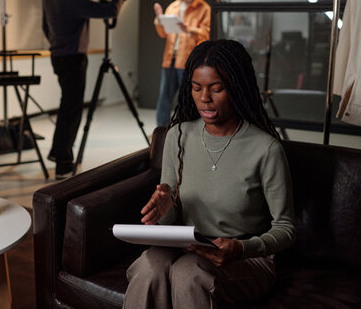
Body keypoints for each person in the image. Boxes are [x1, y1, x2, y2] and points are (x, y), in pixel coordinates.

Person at [123, 40, 297, 308]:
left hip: (245, 257)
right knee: (149, 266)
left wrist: (242, 249)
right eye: (196, 88)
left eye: (217, 89)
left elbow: (285, 228)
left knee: (190, 272)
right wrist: (165, 209)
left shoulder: (266, 149)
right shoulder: (178, 135)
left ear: (237, 88)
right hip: (187, 246)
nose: (205, 98)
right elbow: (169, 221)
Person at [42, 0, 125, 179]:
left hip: (58, 56)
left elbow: (45, 28)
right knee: (72, 109)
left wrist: (59, 44)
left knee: (67, 106)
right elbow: (109, 10)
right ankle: (63, 162)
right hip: (73, 59)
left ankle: (61, 157)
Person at [153, 0, 211, 127]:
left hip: (188, 60)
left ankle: (185, 130)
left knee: (186, 98)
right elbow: (163, 33)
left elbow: (206, 34)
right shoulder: (173, 6)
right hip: (170, 58)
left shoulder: (203, 8)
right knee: (164, 97)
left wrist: (188, 29)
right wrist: (159, 20)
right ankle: (161, 131)